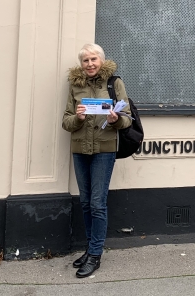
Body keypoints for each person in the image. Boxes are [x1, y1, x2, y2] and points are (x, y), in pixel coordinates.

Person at [62, 43, 132, 278]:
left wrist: (115, 120)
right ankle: (90, 249)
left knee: (97, 204)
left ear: (101, 61)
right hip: (80, 149)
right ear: (81, 64)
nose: (90, 64)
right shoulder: (75, 85)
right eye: (85, 60)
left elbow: (127, 119)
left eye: (94, 59)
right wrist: (79, 118)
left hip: (104, 150)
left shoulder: (114, 83)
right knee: (85, 202)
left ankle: (95, 254)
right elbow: (66, 122)